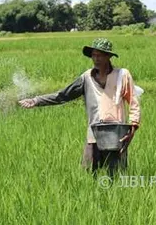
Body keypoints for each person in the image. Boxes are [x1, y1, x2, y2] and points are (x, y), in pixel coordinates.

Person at [18, 38, 141, 177]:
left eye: (99, 55)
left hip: (116, 133)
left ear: (108, 56)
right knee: (88, 173)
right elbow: (63, 95)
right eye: (93, 55)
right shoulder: (86, 77)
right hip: (93, 132)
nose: (96, 59)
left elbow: (133, 101)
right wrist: (36, 100)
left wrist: (133, 126)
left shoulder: (122, 75)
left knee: (116, 174)